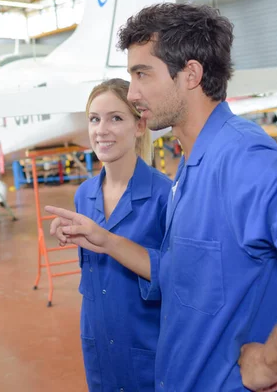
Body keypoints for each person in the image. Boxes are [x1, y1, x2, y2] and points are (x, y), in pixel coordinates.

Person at [47, 3, 277, 392]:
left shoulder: (239, 156)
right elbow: (185, 278)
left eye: (142, 74)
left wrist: (269, 361)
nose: (132, 93)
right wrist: (105, 240)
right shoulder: (191, 167)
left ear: (191, 74)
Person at [75, 78, 171, 391]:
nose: (101, 130)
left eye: (116, 118)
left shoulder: (164, 196)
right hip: (100, 351)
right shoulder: (83, 196)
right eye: (94, 119)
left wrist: (110, 243)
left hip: (149, 350)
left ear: (140, 125)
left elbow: (176, 276)